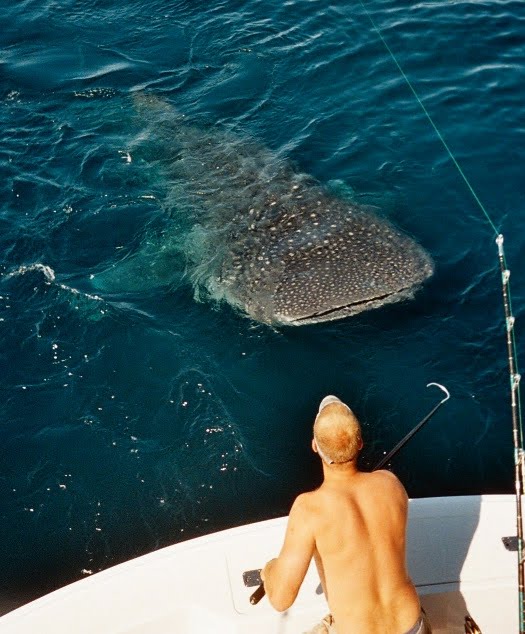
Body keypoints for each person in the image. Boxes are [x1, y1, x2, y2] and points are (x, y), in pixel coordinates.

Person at [260, 395, 431, 634]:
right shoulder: (391, 484)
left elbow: (280, 599)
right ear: (360, 443)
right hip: (413, 625)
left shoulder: (309, 509)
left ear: (315, 446)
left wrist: (269, 570)